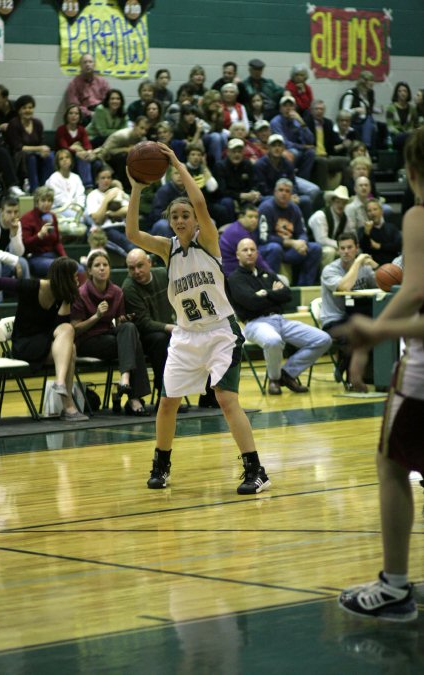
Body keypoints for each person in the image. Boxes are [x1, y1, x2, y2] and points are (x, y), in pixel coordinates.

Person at [125, 142, 271, 495]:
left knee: (225, 399)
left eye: (184, 216)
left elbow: (201, 203)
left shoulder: (209, 241)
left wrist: (176, 163)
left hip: (221, 332)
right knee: (167, 402)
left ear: (194, 221)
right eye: (174, 217)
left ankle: (256, 470)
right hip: (187, 336)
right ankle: (161, 465)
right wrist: (135, 189)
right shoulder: (166, 249)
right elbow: (131, 234)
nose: (179, 221)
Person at [337, 128, 424, 622]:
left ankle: (394, 586)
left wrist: (376, 330)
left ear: (411, 173)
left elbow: (414, 291)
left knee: (392, 464)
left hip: (421, 374)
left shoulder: (417, 214)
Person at [0, 257, 88, 422]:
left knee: (69, 335)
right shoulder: (31, 286)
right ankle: (68, 406)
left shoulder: (62, 296)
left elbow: (60, 327)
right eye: (73, 276)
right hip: (24, 345)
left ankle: (60, 384)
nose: (77, 280)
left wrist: (66, 300)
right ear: (64, 278)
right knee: (70, 350)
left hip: (46, 343)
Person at [228, 238, 331, 394]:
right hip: (255, 323)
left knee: (323, 339)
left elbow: (287, 295)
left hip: (280, 320)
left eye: (252, 249)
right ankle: (274, 379)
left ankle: (287, 373)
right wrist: (274, 294)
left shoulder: (267, 274)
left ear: (257, 252)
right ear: (237, 255)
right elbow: (251, 303)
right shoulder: (235, 279)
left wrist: (264, 294)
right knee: (273, 340)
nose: (249, 253)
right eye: (245, 250)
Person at [71, 251, 151, 416]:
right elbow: (75, 329)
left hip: (109, 337)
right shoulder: (81, 293)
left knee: (129, 328)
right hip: (88, 341)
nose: (102, 268)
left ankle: (125, 380)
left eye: (105, 265)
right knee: (134, 345)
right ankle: (133, 398)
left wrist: (124, 319)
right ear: (90, 271)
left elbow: (118, 322)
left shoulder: (116, 292)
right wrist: (97, 316)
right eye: (97, 265)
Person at [320, 232, 378, 387]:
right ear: (338, 250)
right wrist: (357, 263)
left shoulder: (365, 269)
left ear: (356, 248)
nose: (346, 251)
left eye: (349, 247)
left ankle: (364, 373)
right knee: (354, 333)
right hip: (334, 319)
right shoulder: (330, 270)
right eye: (342, 248)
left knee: (371, 328)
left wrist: (376, 267)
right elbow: (344, 287)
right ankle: (349, 378)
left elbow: (381, 286)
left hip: (355, 315)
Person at [123, 248, 175, 403]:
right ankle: (164, 394)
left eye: (140, 266)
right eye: (132, 268)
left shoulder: (163, 275)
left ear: (149, 263)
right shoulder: (129, 288)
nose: (137, 271)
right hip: (143, 338)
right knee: (160, 339)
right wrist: (171, 328)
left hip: (168, 329)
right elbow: (144, 323)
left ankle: (209, 395)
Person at [257, 178, 322, 286]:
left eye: (287, 191)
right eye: (281, 190)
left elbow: (302, 231)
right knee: (275, 248)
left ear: (291, 194)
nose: (284, 193)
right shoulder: (266, 208)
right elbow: (264, 238)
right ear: (275, 192)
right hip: (269, 249)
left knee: (315, 248)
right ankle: (269, 286)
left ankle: (304, 287)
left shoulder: (295, 208)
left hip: (290, 250)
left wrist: (302, 243)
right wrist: (291, 243)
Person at [253, 132, 319, 223]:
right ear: (268, 148)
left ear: (283, 148)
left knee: (306, 200)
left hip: (285, 195)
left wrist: (293, 194)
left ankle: (307, 231)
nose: (277, 148)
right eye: (274, 146)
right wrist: (282, 197)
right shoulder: (260, 165)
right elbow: (262, 188)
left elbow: (293, 183)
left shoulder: (287, 163)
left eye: (279, 146)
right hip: (267, 197)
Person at [6, 95, 54, 193]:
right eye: (24, 108)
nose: (28, 110)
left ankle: (46, 188)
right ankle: (34, 188)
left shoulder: (37, 123)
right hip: (19, 156)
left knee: (49, 156)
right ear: (19, 110)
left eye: (30, 107)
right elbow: (19, 147)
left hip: (36, 153)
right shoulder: (14, 124)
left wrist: (43, 151)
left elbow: (42, 142)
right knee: (31, 157)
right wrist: (39, 148)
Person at [85, 165, 134, 259]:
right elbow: (97, 219)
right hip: (105, 230)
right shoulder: (92, 195)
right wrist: (107, 200)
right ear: (96, 180)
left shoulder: (115, 191)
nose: (106, 180)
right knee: (127, 244)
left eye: (108, 178)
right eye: (103, 178)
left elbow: (128, 210)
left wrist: (110, 214)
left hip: (123, 227)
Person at [21, 186, 68, 278]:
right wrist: (39, 236)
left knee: (78, 268)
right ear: (37, 202)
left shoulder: (52, 216)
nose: (47, 204)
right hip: (35, 257)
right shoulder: (27, 218)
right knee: (59, 268)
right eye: (43, 200)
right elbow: (25, 244)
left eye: (49, 201)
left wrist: (64, 257)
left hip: (52, 255)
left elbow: (57, 242)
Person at [212, 137, 261, 222]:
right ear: (228, 152)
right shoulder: (220, 166)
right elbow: (222, 191)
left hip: (246, 196)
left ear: (243, 153)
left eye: (239, 152)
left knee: (261, 199)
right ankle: (231, 227)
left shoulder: (247, 164)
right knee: (227, 202)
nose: (237, 154)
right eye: (233, 152)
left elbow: (254, 183)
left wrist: (254, 192)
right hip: (227, 197)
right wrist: (241, 196)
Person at [306, 99, 350, 189]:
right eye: (317, 109)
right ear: (311, 110)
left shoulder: (328, 123)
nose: (319, 111)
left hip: (326, 156)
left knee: (347, 161)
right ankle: (323, 193)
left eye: (321, 109)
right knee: (322, 162)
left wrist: (343, 144)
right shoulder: (306, 123)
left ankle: (344, 190)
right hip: (313, 157)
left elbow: (334, 142)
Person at [270, 94, 316, 180]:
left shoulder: (297, 121)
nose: (288, 108)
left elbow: (311, 141)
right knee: (294, 152)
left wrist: (302, 123)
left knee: (311, 153)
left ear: (295, 108)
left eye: (291, 106)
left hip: (298, 149)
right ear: (280, 109)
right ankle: (289, 179)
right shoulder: (275, 122)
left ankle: (304, 180)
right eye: (285, 106)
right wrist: (302, 147)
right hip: (284, 150)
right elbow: (283, 143)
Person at [220, 202, 273, 276]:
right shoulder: (238, 232)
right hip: (231, 273)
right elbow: (257, 259)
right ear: (241, 217)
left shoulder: (239, 228)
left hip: (237, 268)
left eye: (256, 217)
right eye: (250, 217)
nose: (254, 220)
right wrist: (272, 276)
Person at [308, 185, 353, 267]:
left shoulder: (345, 218)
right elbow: (321, 240)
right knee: (330, 251)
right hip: (312, 247)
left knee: (350, 251)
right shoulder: (320, 215)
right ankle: (326, 277)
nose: (340, 205)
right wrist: (341, 245)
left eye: (343, 202)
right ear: (332, 202)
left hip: (333, 245)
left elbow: (348, 235)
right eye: (338, 202)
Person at [45, 149, 87, 237]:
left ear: (71, 160)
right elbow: (58, 198)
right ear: (58, 162)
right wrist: (73, 207)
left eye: (67, 157)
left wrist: (79, 206)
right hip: (60, 209)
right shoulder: (54, 178)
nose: (65, 160)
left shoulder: (76, 177)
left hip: (76, 208)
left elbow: (81, 195)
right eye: (61, 158)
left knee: (88, 213)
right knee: (82, 218)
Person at [55, 104, 96, 189]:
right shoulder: (61, 129)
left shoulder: (82, 129)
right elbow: (64, 147)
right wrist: (77, 152)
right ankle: (88, 185)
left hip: (79, 155)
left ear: (79, 116)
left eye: (76, 113)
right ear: (66, 116)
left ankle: (88, 188)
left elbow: (87, 144)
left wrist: (88, 151)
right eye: (71, 113)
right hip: (64, 155)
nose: (74, 116)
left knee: (88, 158)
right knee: (81, 157)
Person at [66, 53, 110, 125]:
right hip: (85, 114)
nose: (88, 64)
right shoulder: (74, 83)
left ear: (94, 65)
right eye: (85, 62)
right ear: (81, 66)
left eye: (90, 62)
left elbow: (108, 101)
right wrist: (89, 113)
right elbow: (74, 105)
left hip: (101, 112)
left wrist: (100, 113)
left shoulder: (103, 82)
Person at [357, 198, 402, 266]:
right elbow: (365, 249)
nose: (372, 213)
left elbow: (398, 246)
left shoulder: (391, 227)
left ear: (381, 211)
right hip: (372, 267)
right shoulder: (363, 230)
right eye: (369, 211)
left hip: (392, 264)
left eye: (375, 209)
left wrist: (379, 246)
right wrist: (367, 233)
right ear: (366, 214)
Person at [340, 71, 377, 150]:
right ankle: (365, 146)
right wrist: (355, 110)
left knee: (372, 121)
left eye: (373, 80)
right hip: (354, 120)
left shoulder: (371, 93)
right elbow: (344, 112)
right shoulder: (351, 93)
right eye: (371, 80)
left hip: (367, 118)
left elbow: (368, 109)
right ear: (364, 82)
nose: (373, 83)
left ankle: (373, 151)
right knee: (368, 120)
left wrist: (377, 110)